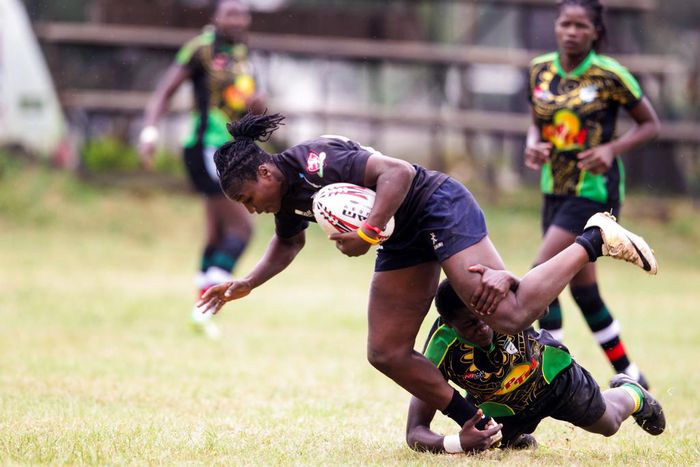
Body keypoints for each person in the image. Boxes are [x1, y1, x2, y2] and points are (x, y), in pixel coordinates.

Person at [198, 111, 658, 445]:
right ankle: (477, 421)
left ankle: (595, 237)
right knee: (385, 351)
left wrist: (367, 231)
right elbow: (289, 243)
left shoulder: (315, 160)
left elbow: (396, 172)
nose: (249, 208)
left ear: (264, 171)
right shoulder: (286, 196)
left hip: (434, 203)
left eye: (246, 197)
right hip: (403, 238)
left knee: (508, 315)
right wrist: (247, 284)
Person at [525, 0, 660, 387]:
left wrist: (610, 149)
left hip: (593, 192)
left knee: (541, 275)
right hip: (554, 188)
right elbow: (536, 123)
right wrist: (533, 144)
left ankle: (550, 375)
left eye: (581, 26)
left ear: (596, 31)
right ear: (555, 26)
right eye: (565, 24)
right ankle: (631, 374)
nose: (571, 32)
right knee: (584, 291)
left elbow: (650, 125)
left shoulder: (609, 75)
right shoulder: (540, 69)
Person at [405, 278, 665, 454]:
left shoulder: (499, 301)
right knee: (491, 446)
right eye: (470, 324)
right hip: (501, 406)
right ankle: (515, 435)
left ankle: (632, 393)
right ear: (449, 324)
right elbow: (415, 431)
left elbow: (544, 294)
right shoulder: (437, 353)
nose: (483, 327)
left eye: (482, 317)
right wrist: (457, 443)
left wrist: (514, 281)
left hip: (552, 376)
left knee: (608, 425)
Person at [138, 0, 265, 338]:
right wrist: (149, 132)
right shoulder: (200, 50)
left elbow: (251, 106)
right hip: (205, 149)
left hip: (229, 152)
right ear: (216, 17)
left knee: (217, 234)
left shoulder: (244, 57)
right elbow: (164, 92)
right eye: (230, 13)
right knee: (242, 231)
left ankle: (200, 310)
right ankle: (209, 306)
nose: (237, 20)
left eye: (243, 13)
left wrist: (257, 107)